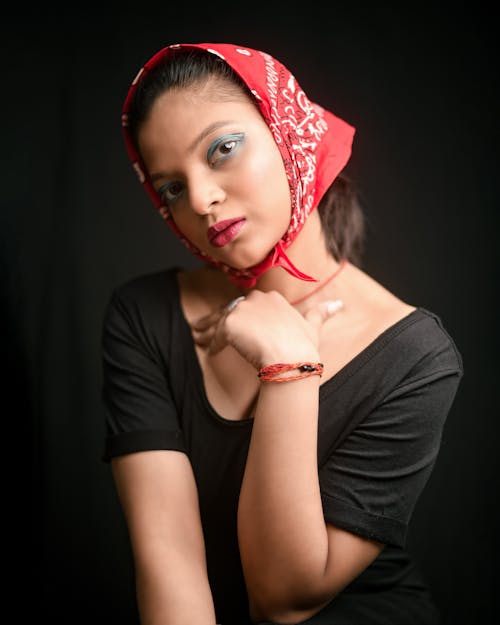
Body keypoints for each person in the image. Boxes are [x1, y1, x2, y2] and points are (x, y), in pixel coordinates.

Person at [101, 42, 463, 625]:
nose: (199, 199)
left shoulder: (415, 354)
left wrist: (289, 370)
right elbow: (169, 561)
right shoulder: (147, 315)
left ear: (289, 134)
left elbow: (284, 597)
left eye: (222, 149)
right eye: (170, 187)